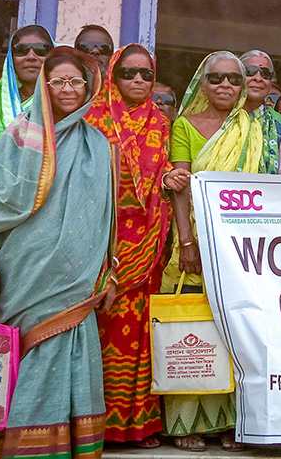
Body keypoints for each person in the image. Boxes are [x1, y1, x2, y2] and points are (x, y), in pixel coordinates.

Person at [0, 47, 117, 459]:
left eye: (75, 81)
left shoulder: (99, 144)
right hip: (24, 272)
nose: (67, 88)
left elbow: (105, 216)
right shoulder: (20, 134)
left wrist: (108, 273)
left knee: (70, 357)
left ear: (89, 88)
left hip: (78, 279)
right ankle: (15, 448)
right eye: (58, 81)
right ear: (44, 87)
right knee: (26, 357)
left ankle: (61, 447)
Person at [84, 44, 188, 448]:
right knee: (97, 331)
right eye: (130, 73)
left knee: (139, 333)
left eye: (147, 74)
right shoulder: (92, 117)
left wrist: (168, 181)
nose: (140, 81)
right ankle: (91, 423)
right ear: (113, 74)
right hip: (99, 243)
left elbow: (157, 174)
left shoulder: (160, 123)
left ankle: (134, 423)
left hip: (146, 245)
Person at [160, 51, 263, 452]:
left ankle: (231, 422)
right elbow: (180, 188)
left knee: (235, 329)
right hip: (195, 242)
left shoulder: (252, 128)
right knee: (192, 328)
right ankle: (186, 424)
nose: (226, 86)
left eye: (234, 80)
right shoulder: (184, 125)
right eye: (217, 79)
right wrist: (187, 242)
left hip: (239, 246)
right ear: (202, 84)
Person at [0, 25, 55, 170]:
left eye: (41, 50)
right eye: (22, 50)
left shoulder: (64, 100)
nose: (31, 57)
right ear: (11, 59)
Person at [240, 50, 281, 173]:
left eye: (265, 74)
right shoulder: (222, 116)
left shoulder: (280, 122)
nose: (258, 78)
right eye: (250, 71)